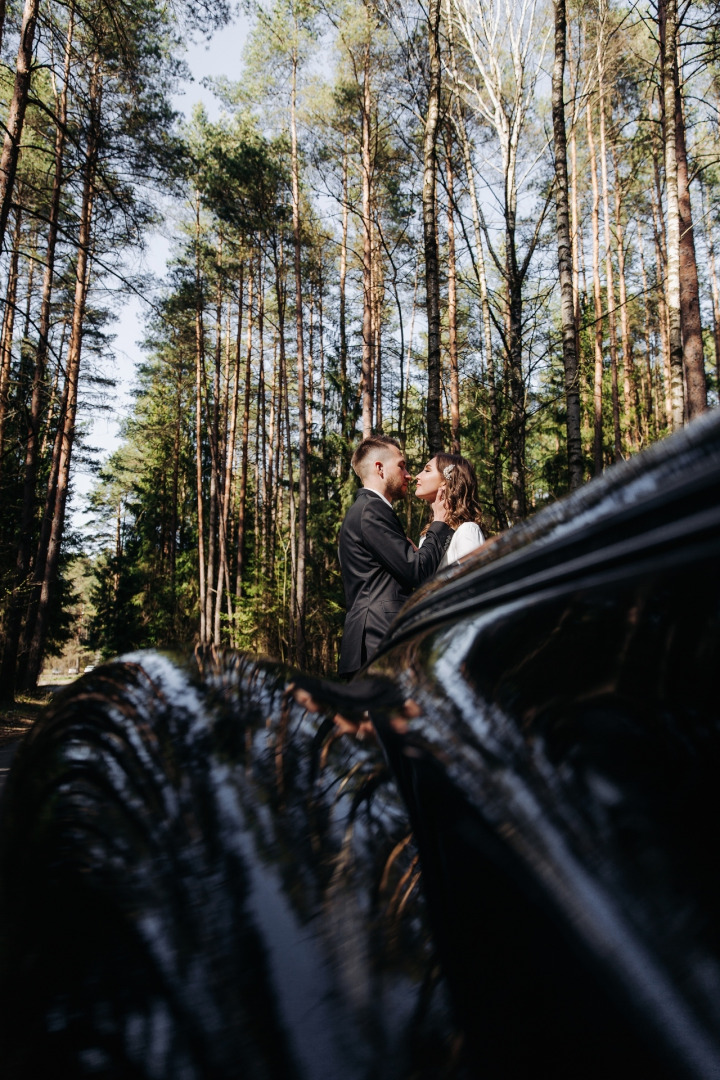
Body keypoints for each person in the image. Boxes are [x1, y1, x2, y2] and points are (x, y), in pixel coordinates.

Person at [338, 436, 453, 677]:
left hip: (372, 641)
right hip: (377, 639)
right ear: (379, 468)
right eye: (402, 466)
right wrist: (440, 522)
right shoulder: (371, 510)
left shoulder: (369, 509)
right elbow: (417, 573)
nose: (409, 475)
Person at [415, 453, 485, 570]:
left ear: (446, 481)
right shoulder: (428, 535)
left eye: (427, 471)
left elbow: (474, 581)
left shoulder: (467, 530)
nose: (417, 476)